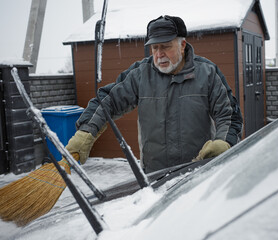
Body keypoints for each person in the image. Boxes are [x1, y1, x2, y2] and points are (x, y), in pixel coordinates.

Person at [66, 15, 243, 173]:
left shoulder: (207, 73)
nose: (159, 55)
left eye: (165, 47)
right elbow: (107, 100)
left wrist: (223, 142)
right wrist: (86, 131)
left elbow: (229, 115)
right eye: (154, 48)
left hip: (199, 172)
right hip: (155, 176)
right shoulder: (141, 74)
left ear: (182, 45)